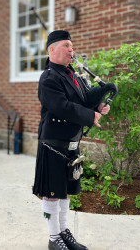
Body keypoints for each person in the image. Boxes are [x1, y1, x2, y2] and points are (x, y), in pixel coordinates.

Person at [32, 30, 110, 250]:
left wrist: (97, 107)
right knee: (52, 192)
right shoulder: (48, 77)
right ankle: (53, 237)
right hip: (53, 143)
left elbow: (83, 101)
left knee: (65, 190)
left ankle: (63, 232)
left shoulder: (73, 76)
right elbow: (61, 107)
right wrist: (90, 116)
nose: (71, 49)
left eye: (72, 45)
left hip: (71, 143)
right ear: (52, 49)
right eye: (66, 45)